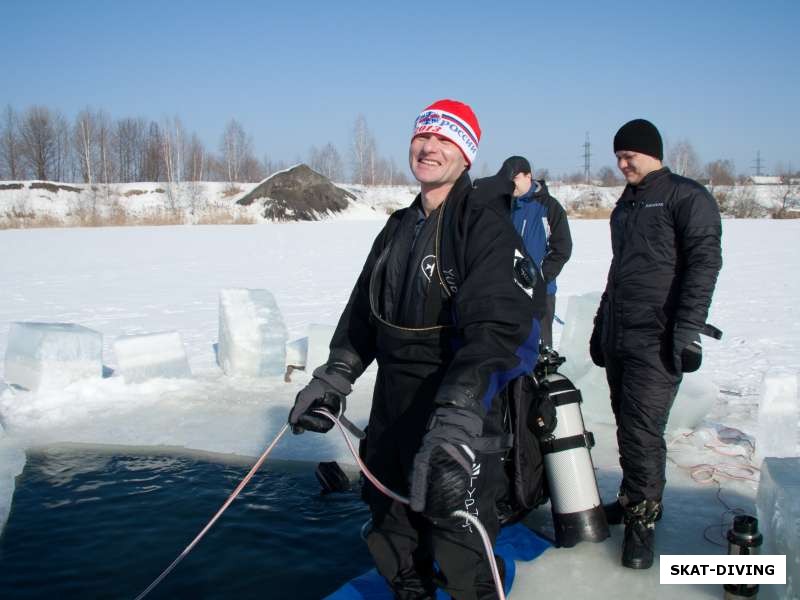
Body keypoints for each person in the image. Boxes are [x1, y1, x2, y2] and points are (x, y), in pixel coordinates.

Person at [289, 99, 546, 599]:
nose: (429, 147)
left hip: (460, 411)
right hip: (393, 412)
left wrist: (457, 421)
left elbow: (498, 332)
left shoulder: (486, 227)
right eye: (423, 136)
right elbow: (362, 315)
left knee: (458, 542)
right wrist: (334, 376)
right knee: (393, 531)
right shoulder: (396, 228)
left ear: (467, 155)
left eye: (446, 139)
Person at [589, 119, 722, 569]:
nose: (624, 164)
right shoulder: (625, 205)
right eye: (619, 157)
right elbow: (618, 270)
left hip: (658, 336)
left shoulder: (687, 196)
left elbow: (704, 265)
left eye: (631, 156)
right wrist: (599, 325)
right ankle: (633, 500)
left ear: (653, 153)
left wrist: (686, 331)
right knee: (626, 424)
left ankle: (644, 518)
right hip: (621, 331)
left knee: (643, 430)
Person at [499, 156, 572, 349]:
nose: (510, 184)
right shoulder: (503, 207)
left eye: (513, 179)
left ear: (528, 176)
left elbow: (562, 248)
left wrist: (539, 276)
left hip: (540, 293)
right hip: (507, 292)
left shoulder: (550, 207)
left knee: (540, 351)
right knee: (509, 348)